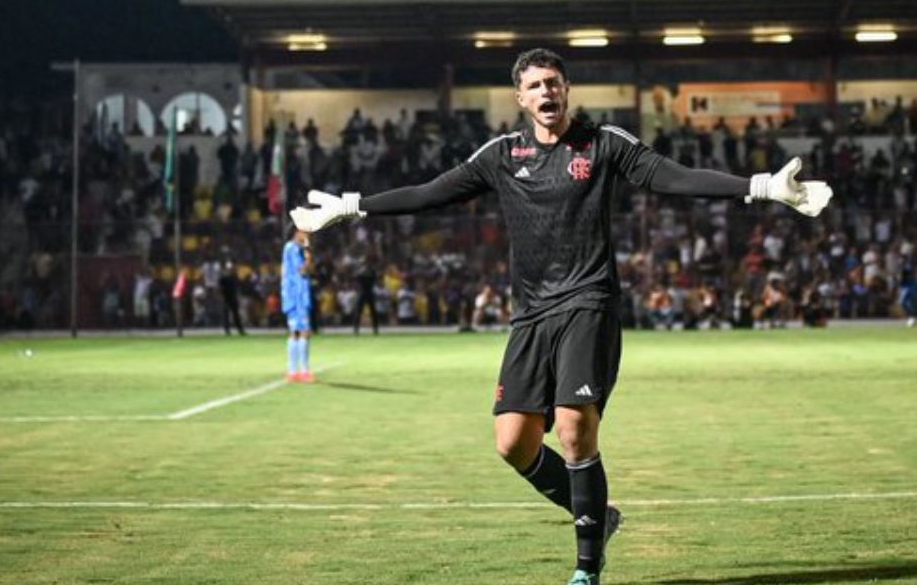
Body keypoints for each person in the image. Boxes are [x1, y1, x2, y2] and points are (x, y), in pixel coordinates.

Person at [289, 48, 832, 585]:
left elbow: (672, 176)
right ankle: (599, 513)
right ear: (520, 97)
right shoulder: (501, 155)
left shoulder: (603, 144)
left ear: (566, 89)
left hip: (588, 302)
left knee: (574, 426)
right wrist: (351, 204)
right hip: (530, 315)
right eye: (536, 85)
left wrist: (760, 187)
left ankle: (586, 566)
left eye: (554, 82)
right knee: (513, 444)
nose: (547, 91)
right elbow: (432, 194)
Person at [281, 227, 315, 382]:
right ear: (297, 232)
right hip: (297, 295)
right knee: (304, 331)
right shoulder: (293, 248)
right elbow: (302, 270)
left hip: (293, 294)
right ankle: (304, 371)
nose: (308, 235)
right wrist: (308, 253)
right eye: (305, 232)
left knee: (295, 331)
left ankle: (293, 372)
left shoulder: (290, 248)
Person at [219, 251, 247, 336]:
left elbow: (237, 286)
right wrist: (222, 296)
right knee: (227, 314)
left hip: (232, 297)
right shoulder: (224, 277)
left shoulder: (234, 276)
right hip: (226, 297)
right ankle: (227, 330)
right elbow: (221, 287)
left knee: (235, 314)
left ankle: (239, 329)